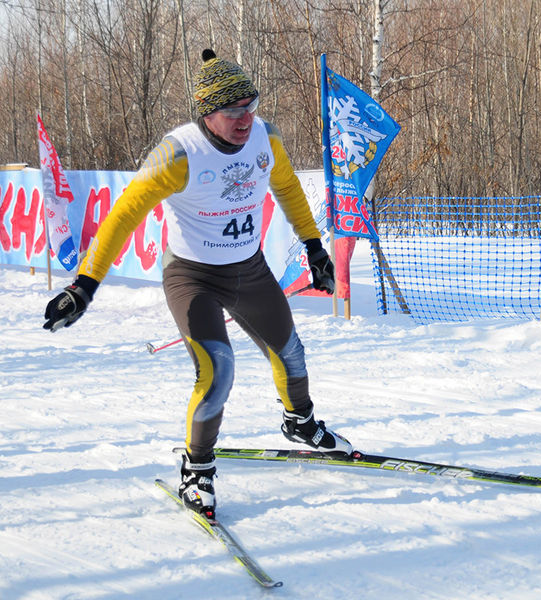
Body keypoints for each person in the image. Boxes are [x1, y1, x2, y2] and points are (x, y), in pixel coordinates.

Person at [43, 49, 353, 518]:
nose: (245, 119)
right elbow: (124, 215)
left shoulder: (265, 137)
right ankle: (198, 468)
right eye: (233, 111)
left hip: (249, 270)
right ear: (207, 113)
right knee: (219, 369)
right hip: (193, 276)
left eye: (250, 106)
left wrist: (314, 246)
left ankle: (300, 422)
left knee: (291, 352)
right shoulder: (179, 154)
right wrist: (84, 285)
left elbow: (287, 187)